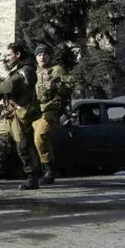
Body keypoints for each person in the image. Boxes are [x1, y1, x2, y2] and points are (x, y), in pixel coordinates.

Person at [0, 42, 41, 190]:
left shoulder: (27, 70)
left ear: (18, 54)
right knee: (1, 143)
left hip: (21, 115)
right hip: (10, 114)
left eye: (9, 55)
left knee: (23, 147)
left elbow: (9, 87)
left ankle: (32, 178)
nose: (6, 58)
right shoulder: (17, 69)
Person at [33, 44, 74, 184]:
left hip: (52, 110)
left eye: (45, 54)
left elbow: (71, 86)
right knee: (32, 140)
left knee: (40, 136)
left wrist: (56, 86)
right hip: (36, 110)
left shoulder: (57, 70)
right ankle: (37, 170)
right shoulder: (34, 72)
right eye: (39, 55)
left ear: (49, 56)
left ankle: (49, 171)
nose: (42, 57)